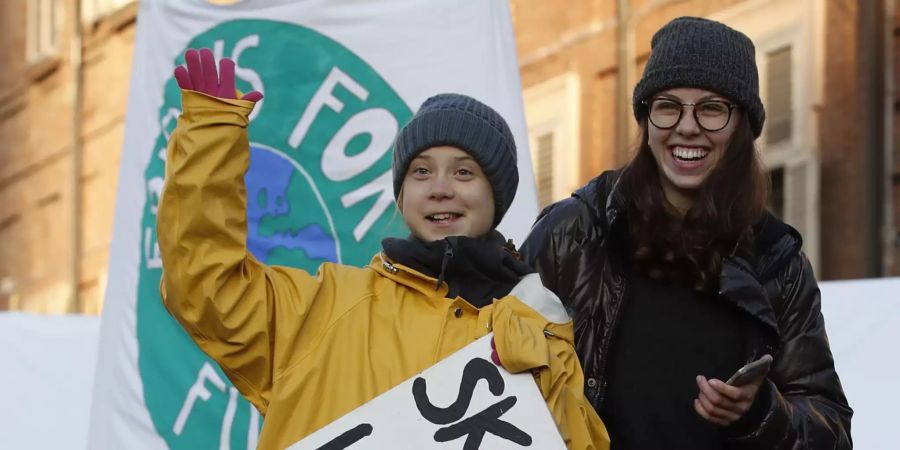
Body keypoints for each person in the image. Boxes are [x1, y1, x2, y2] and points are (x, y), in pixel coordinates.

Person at [158, 48, 609, 449]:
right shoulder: (320, 309)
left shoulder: (539, 324)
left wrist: (542, 356)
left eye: (464, 173)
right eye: (421, 172)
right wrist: (210, 134)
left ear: (498, 196)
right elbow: (204, 284)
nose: (440, 188)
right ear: (400, 195)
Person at [521, 16, 852, 449]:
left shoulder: (780, 263)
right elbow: (495, 366)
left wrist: (761, 414)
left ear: (743, 127)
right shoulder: (572, 232)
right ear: (646, 119)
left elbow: (833, 431)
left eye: (712, 108)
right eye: (667, 106)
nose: (687, 126)